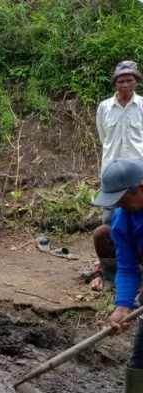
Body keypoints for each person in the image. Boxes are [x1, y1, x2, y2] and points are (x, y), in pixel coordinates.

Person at [93, 158, 143, 393]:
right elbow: (126, 267)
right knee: (141, 349)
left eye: (122, 198)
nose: (119, 204)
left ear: (140, 188)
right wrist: (122, 307)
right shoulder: (122, 220)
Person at [91, 61, 143, 291]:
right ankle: (111, 274)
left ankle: (134, 270)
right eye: (121, 80)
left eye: (129, 79)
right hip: (112, 175)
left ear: (136, 82)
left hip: (138, 176)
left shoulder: (142, 105)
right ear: (114, 83)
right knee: (108, 223)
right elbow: (104, 137)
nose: (125, 84)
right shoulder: (104, 107)